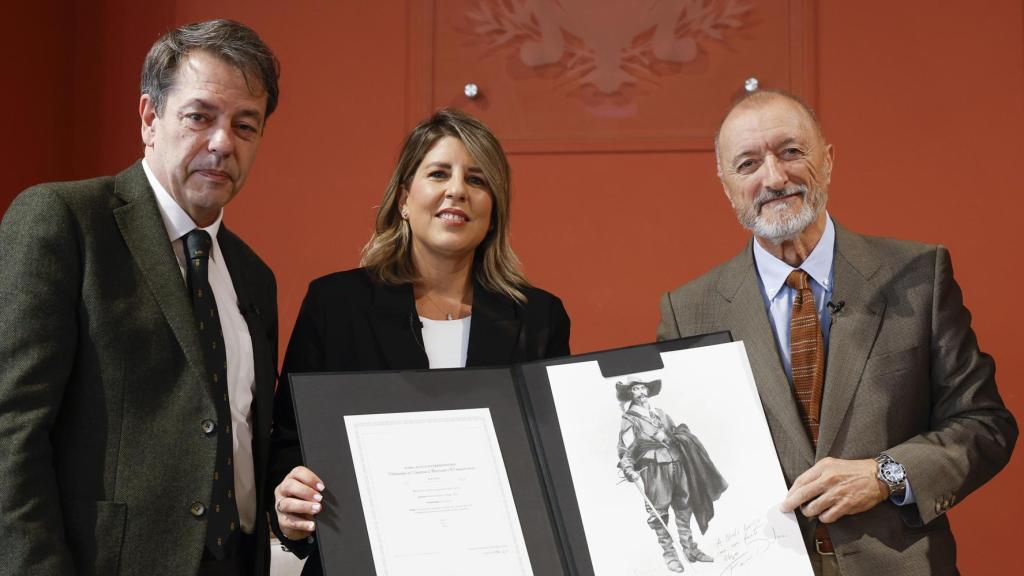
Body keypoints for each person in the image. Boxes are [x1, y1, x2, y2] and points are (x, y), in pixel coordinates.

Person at [657, 89, 1017, 576]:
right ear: (725, 185)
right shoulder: (687, 311)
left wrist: (885, 474)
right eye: (748, 165)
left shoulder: (918, 275)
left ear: (827, 161)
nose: (774, 177)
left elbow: (985, 425)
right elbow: (687, 459)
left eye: (790, 152)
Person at [0, 20, 280, 576]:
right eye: (200, 117)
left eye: (245, 125)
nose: (223, 143)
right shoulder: (63, 221)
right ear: (150, 118)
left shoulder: (254, 276)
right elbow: (11, 430)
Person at [268, 108, 571, 575]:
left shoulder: (539, 318)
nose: (457, 191)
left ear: (493, 210)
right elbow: (289, 443)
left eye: (477, 179)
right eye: (438, 173)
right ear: (405, 198)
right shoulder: (335, 305)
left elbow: (555, 459)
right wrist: (290, 503)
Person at [616, 378, 726, 573]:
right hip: (654, 470)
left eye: (643, 387)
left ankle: (691, 550)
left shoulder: (661, 414)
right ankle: (670, 557)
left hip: (677, 465)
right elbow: (625, 450)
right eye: (635, 389)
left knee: (685, 508)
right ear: (630, 394)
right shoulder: (629, 419)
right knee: (659, 514)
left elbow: (675, 434)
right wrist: (629, 469)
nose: (641, 391)